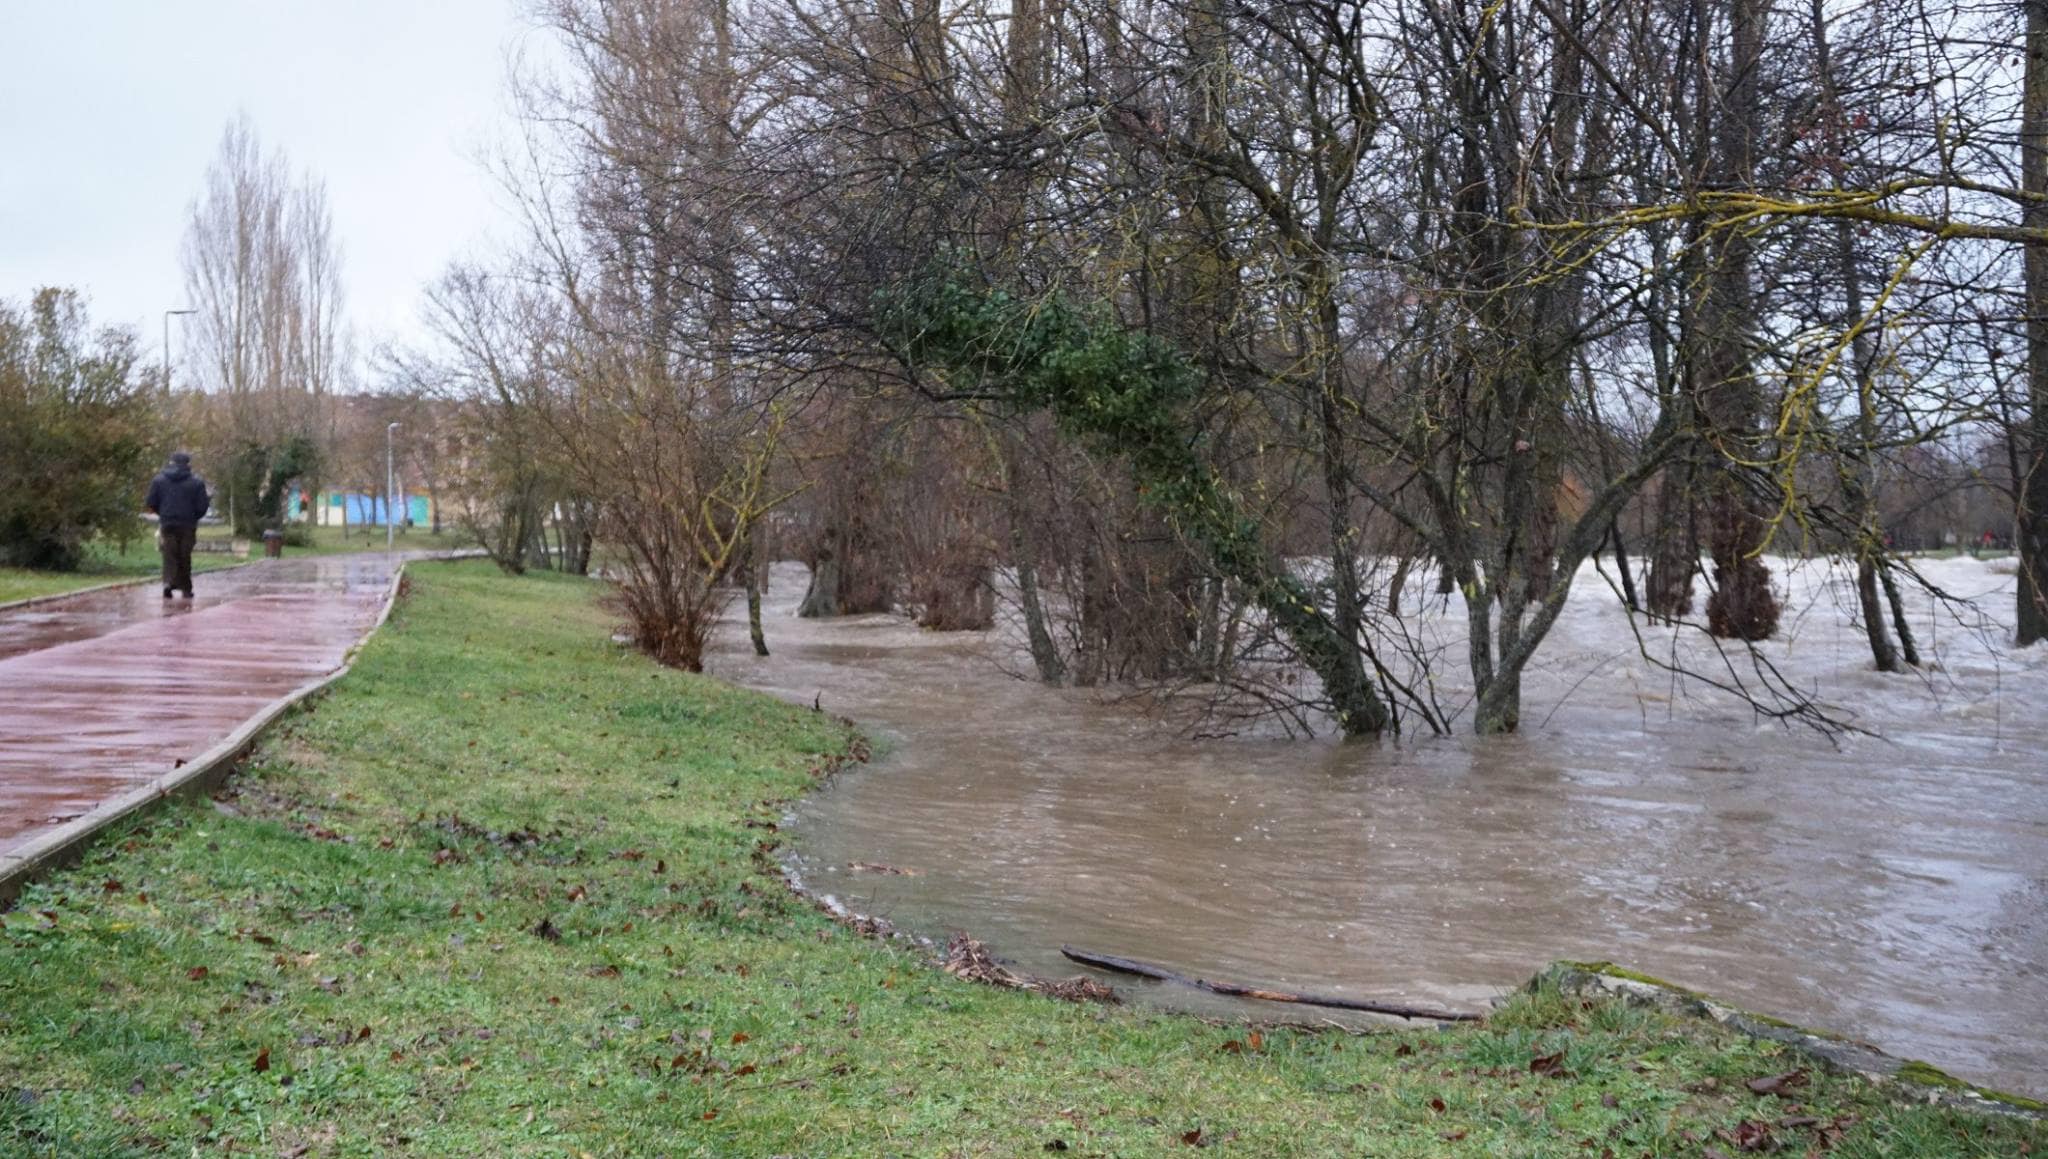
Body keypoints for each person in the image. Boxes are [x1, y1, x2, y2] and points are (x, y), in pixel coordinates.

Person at [144, 451, 211, 599]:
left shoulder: (159, 481)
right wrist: (193, 516)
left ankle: (168, 582)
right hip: (188, 524)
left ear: (171, 463)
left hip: (167, 523)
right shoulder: (197, 482)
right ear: (188, 464)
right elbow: (203, 506)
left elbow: (151, 503)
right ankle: (185, 588)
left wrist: (163, 513)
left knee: (169, 554)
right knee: (185, 555)